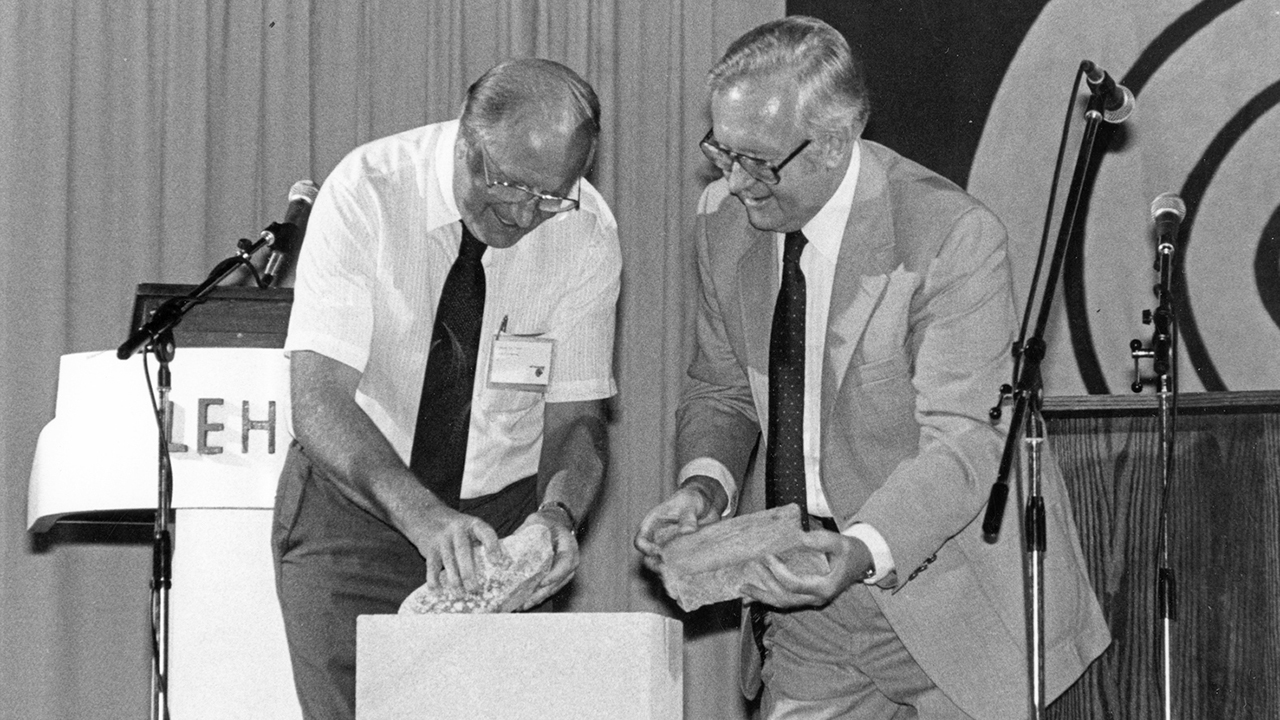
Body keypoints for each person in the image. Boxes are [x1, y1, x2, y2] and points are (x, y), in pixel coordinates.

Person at [635, 16, 1109, 720]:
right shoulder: (723, 221)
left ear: (833, 142)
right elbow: (722, 389)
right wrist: (704, 487)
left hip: (954, 598)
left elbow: (967, 441)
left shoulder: (950, 236)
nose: (735, 183)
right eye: (721, 152)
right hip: (808, 613)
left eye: (757, 161)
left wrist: (859, 552)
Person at [273, 58, 620, 720]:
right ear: (464, 139)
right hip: (356, 512)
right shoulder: (366, 192)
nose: (523, 213)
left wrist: (557, 515)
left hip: (499, 523)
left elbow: (576, 418)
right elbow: (319, 400)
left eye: (550, 195)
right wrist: (426, 519)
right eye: (509, 184)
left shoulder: (586, 230)